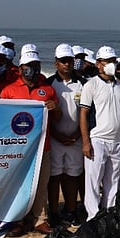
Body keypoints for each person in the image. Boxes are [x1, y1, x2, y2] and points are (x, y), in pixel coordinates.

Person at [2, 48, 60, 236]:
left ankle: (39, 219)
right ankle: (16, 220)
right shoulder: (9, 91)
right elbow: (2, 119)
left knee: (42, 184)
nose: (33, 70)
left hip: (43, 146)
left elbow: (58, 118)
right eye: (29, 66)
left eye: (36, 66)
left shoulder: (48, 90)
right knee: (17, 184)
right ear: (20, 68)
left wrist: (55, 108)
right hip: (17, 148)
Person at [79, 46, 120, 219]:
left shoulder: (119, 85)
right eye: (107, 61)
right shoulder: (91, 85)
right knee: (93, 181)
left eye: (113, 61)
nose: (111, 64)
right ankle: (93, 216)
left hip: (117, 140)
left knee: (113, 181)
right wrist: (86, 142)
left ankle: (109, 214)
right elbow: (83, 114)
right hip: (97, 139)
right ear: (98, 64)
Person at [45, 44, 86, 226]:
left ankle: (71, 210)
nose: (67, 64)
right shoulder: (48, 84)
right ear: (56, 63)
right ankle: (53, 212)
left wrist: (78, 135)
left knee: (72, 175)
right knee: (54, 177)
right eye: (63, 61)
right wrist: (57, 135)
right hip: (54, 138)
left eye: (69, 60)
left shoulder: (83, 83)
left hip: (76, 138)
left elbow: (87, 113)